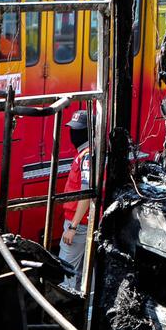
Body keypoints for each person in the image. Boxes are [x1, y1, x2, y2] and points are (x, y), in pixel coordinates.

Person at [59, 109, 94, 293]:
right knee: (80, 275)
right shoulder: (87, 154)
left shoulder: (87, 156)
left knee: (66, 274)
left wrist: (73, 226)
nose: (74, 133)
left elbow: (86, 192)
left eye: (78, 130)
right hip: (81, 223)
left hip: (78, 225)